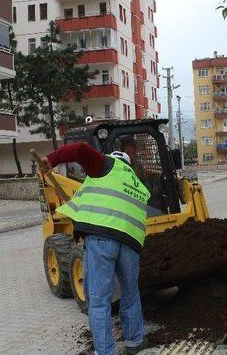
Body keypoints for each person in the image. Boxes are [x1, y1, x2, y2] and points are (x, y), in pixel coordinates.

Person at [41, 142, 150, 355]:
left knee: (99, 301)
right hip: (131, 243)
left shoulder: (107, 165)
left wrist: (51, 159)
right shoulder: (138, 185)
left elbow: (81, 149)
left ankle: (105, 351)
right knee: (131, 294)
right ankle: (135, 342)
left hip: (102, 239)